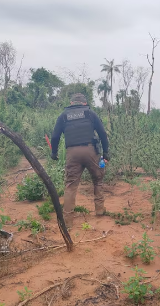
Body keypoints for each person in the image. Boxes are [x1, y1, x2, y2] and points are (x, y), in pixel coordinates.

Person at [50, 93, 110, 229]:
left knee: (70, 186)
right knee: (98, 180)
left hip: (72, 153)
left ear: (71, 103)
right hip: (90, 151)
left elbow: (55, 137)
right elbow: (102, 134)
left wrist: (54, 152)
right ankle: (100, 210)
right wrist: (106, 152)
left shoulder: (63, 116)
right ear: (84, 103)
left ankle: (68, 222)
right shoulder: (90, 113)